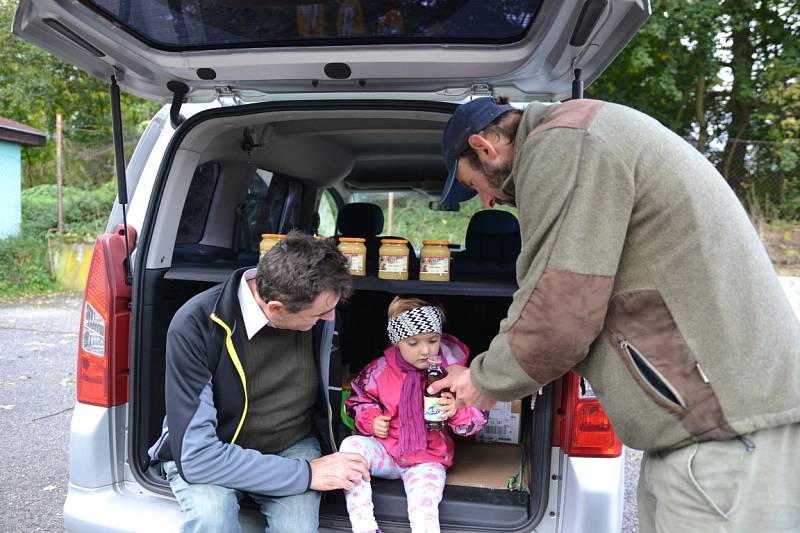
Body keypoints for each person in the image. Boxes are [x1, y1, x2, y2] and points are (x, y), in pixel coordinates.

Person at [431, 96, 800, 532]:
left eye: (475, 188)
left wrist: (484, 380)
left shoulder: (566, 144)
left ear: (485, 146)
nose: (488, 203)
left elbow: (560, 312)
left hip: (726, 426)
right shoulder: (577, 137)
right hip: (700, 422)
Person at [148, 231, 370, 533]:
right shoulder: (196, 324)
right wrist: (305, 473)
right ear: (276, 307)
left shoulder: (321, 313)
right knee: (213, 519)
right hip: (218, 450)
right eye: (320, 313)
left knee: (298, 528)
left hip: (291, 444)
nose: (331, 318)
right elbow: (198, 457)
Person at [341, 297, 488, 533]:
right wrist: (371, 420)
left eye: (432, 340)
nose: (425, 350)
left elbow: (477, 421)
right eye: (413, 343)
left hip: (426, 459)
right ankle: (365, 527)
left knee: (424, 512)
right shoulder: (378, 370)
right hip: (387, 452)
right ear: (396, 341)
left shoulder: (452, 374)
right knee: (350, 447)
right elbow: (357, 401)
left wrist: (457, 411)